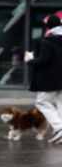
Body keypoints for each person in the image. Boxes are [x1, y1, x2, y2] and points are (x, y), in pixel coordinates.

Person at [26, 13, 62, 143]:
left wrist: (30, 61)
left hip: (49, 79)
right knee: (60, 103)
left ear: (48, 26)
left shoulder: (47, 41)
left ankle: (59, 128)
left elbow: (44, 60)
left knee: (41, 102)